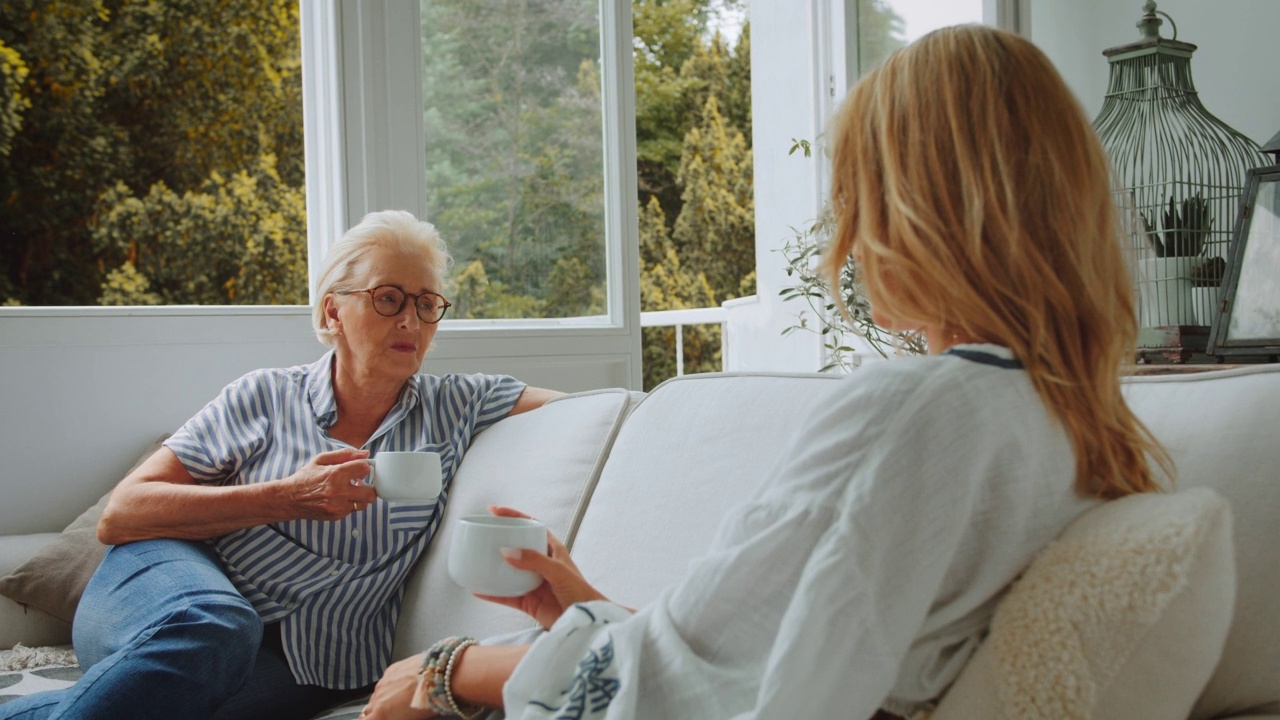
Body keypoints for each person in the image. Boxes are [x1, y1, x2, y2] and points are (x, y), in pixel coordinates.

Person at [359, 25, 1172, 720]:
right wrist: (584, 608)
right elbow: (759, 652)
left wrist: (455, 672)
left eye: (857, 192)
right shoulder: (1070, 421)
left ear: (922, 212)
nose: (844, 232)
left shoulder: (916, 411)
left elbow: (711, 694)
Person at [0, 210, 561, 720]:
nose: (411, 320)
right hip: (166, 591)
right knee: (219, 629)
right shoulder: (266, 395)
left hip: (309, 659)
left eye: (426, 302)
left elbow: (598, 408)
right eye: (388, 297)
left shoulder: (459, 404)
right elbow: (120, 516)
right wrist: (288, 496)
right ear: (333, 310)